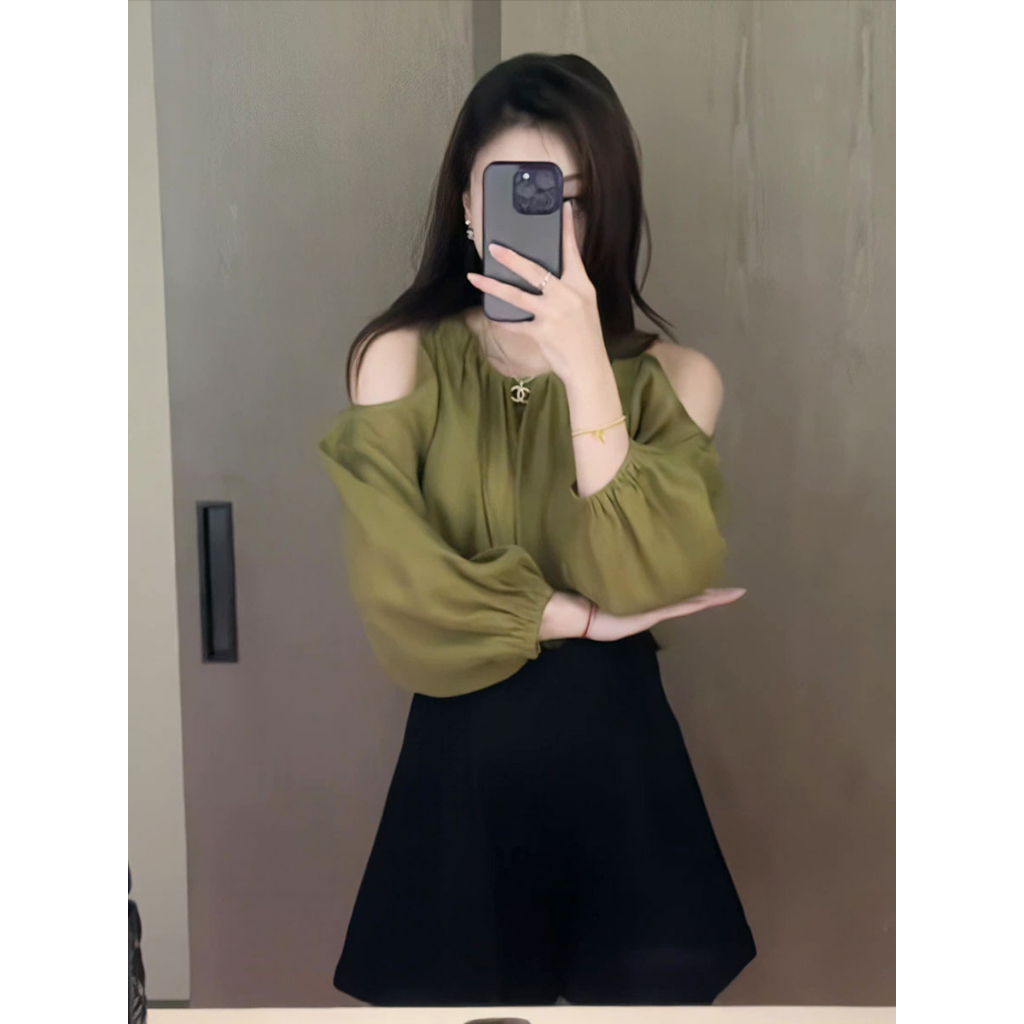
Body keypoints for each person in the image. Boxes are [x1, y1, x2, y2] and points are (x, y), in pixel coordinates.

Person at [317, 52, 756, 1008]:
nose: (550, 227)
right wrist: (578, 618)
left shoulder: (677, 379)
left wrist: (587, 367)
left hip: (623, 770)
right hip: (460, 774)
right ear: (467, 207)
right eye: (520, 194)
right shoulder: (398, 361)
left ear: (609, 209)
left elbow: (645, 576)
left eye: (574, 200)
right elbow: (401, 598)